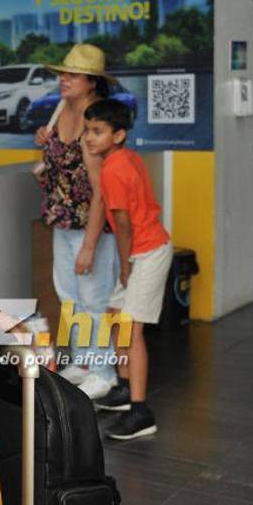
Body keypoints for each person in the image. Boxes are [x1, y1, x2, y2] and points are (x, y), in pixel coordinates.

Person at [33, 44, 121, 400]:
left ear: (92, 82)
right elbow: (59, 172)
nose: (63, 80)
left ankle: (105, 372)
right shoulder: (60, 111)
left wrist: (90, 244)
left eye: (71, 75)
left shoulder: (92, 123)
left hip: (91, 227)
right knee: (70, 296)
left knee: (95, 300)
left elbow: (102, 191)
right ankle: (84, 362)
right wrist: (44, 141)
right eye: (62, 74)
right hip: (62, 220)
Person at [83, 99, 172, 439]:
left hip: (145, 253)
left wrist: (124, 268)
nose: (89, 138)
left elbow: (122, 225)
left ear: (118, 135)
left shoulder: (114, 169)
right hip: (139, 250)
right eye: (88, 130)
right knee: (115, 315)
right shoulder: (124, 159)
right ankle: (122, 388)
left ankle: (140, 411)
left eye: (98, 131)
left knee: (131, 331)